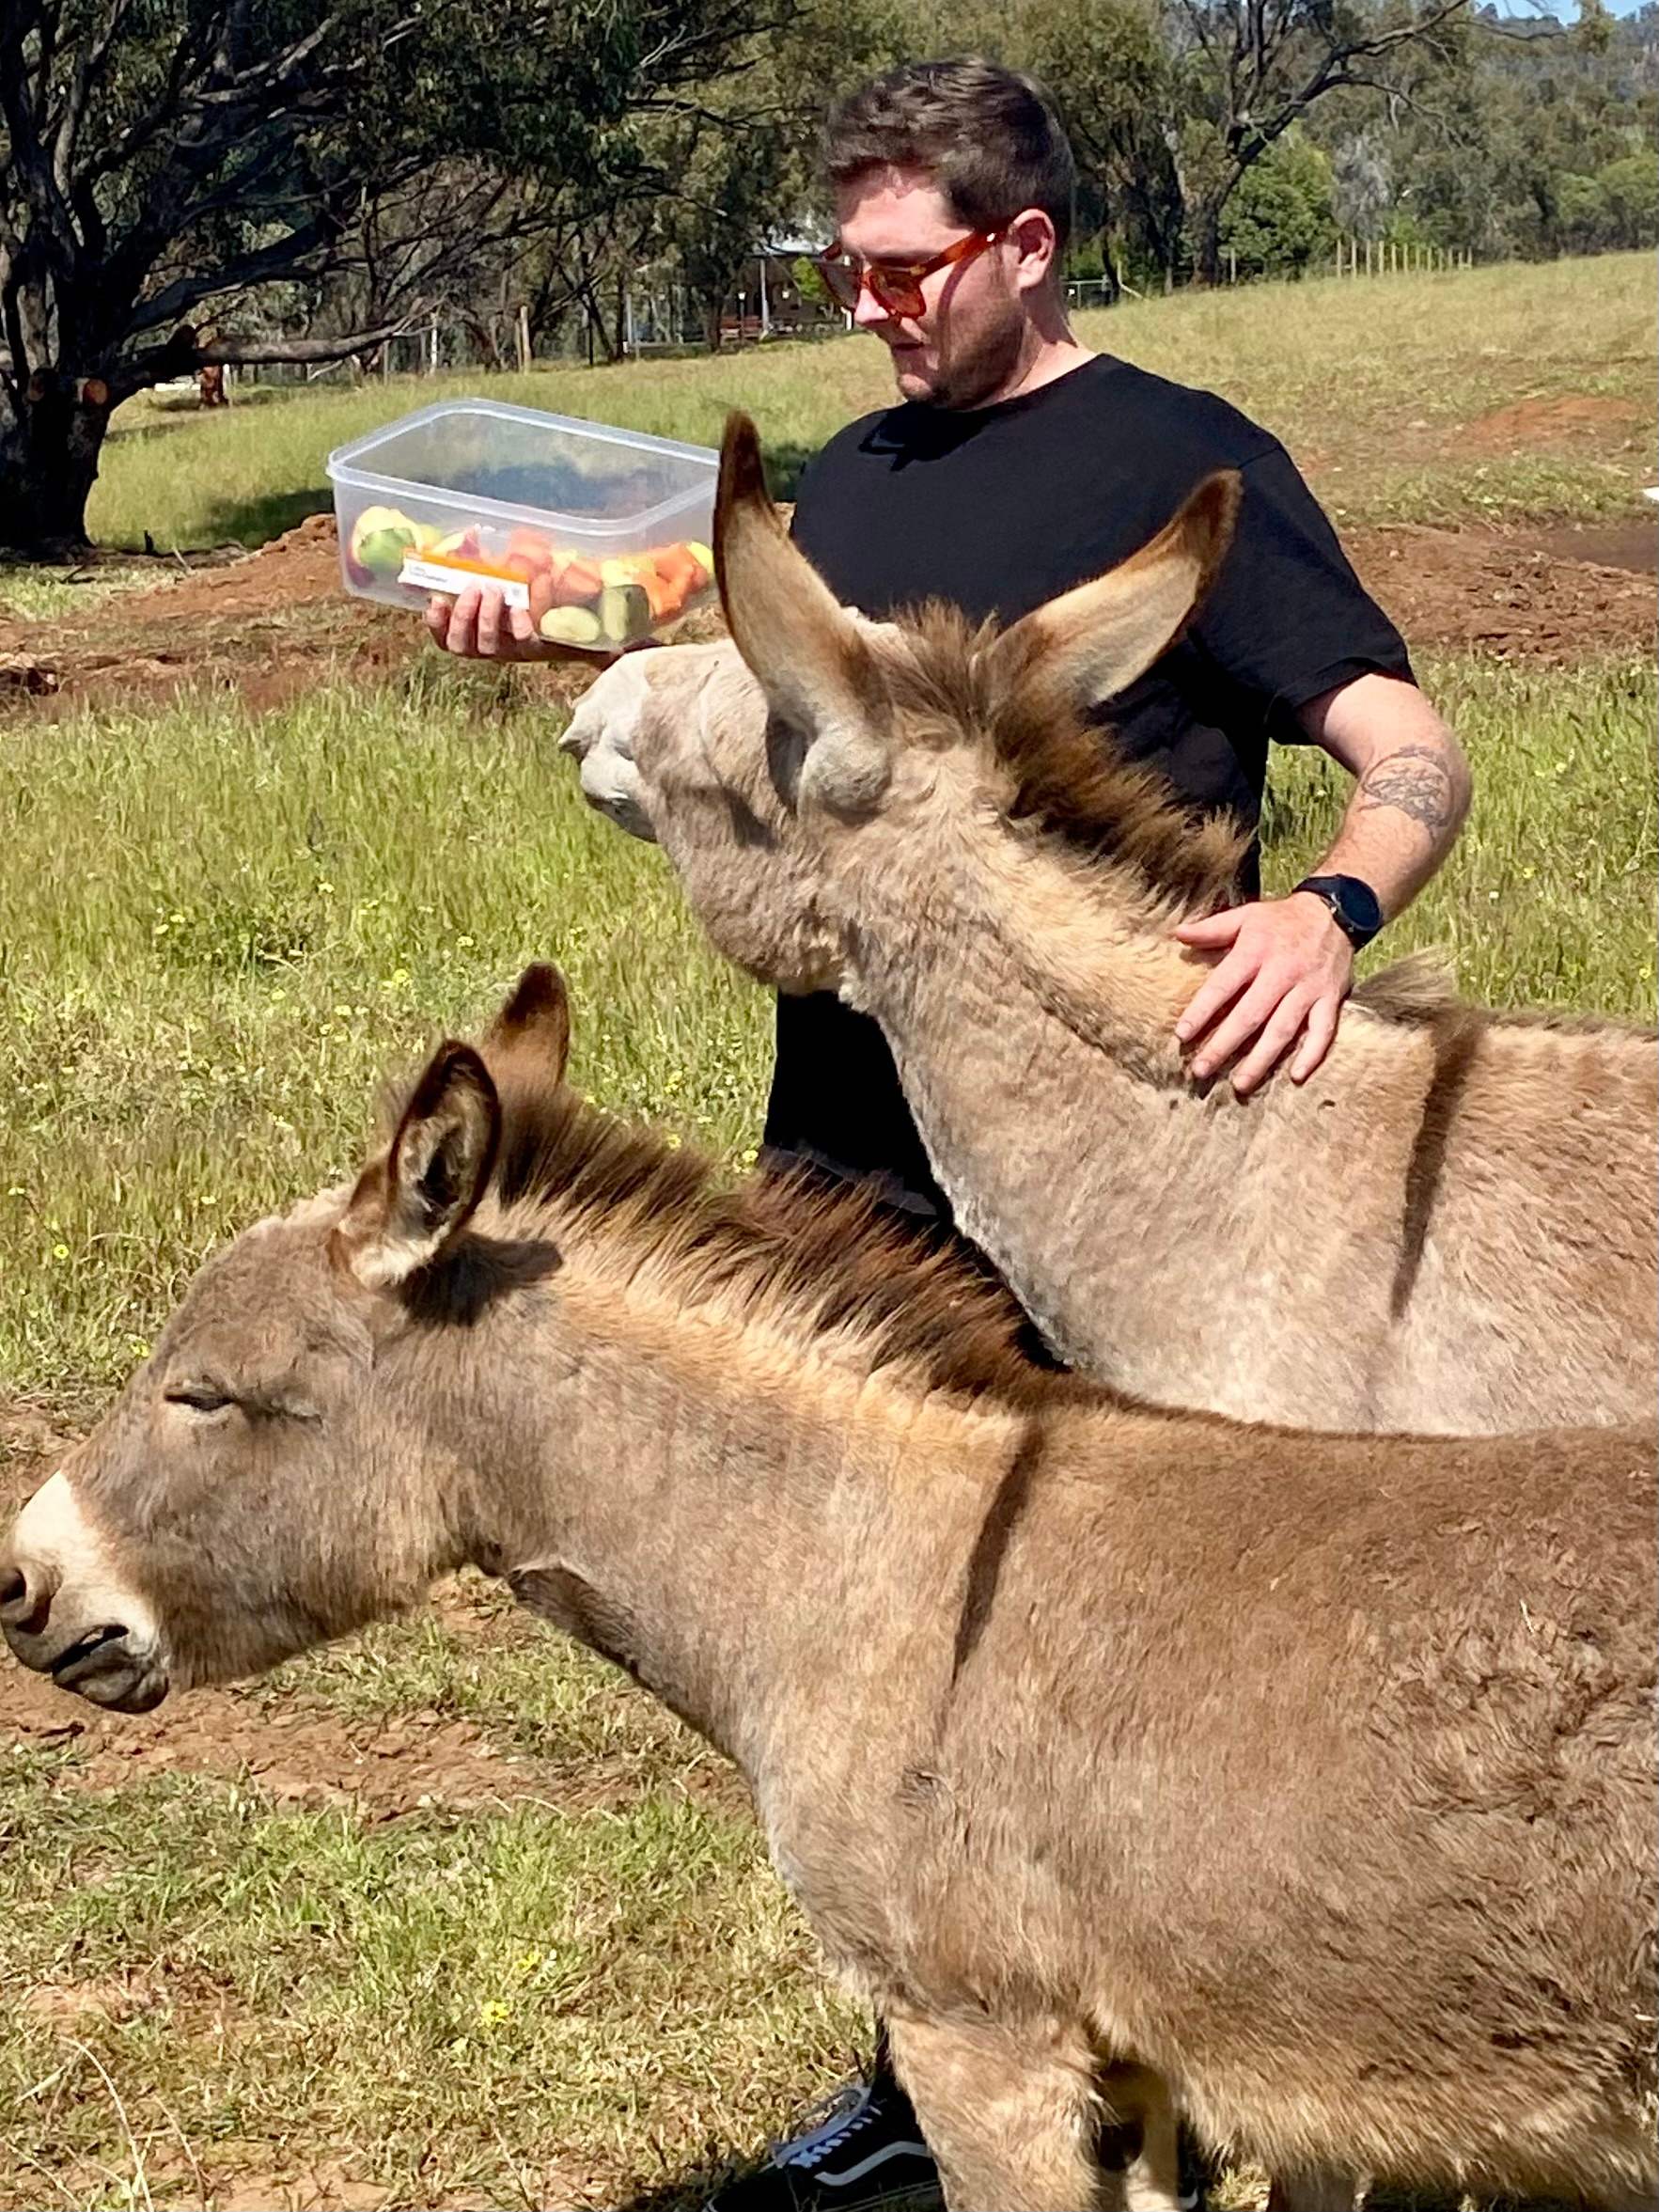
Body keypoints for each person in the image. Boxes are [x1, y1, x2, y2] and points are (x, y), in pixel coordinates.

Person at [428, 56, 1472, 2209]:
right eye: (845, 268)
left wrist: (1327, 906)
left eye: (904, 268)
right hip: (849, 1176)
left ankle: (1231, 2076)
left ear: (1023, 248)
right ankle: (938, 2086)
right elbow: (746, 704)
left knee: (1149, 1680)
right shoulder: (851, 475)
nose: (868, 306)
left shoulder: (1185, 460)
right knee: (879, 1687)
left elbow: (1409, 747)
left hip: (1123, 1199)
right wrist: (528, 619)